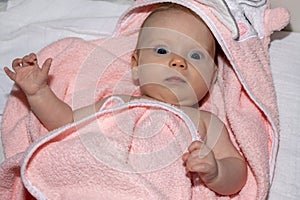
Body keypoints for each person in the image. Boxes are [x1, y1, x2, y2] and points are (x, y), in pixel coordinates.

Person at [4, 3, 247, 196]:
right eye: (162, 51)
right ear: (136, 66)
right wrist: (38, 93)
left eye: (195, 55)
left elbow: (238, 174)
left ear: (213, 76)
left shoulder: (205, 121)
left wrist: (216, 172)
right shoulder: (118, 103)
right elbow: (65, 122)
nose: (178, 62)